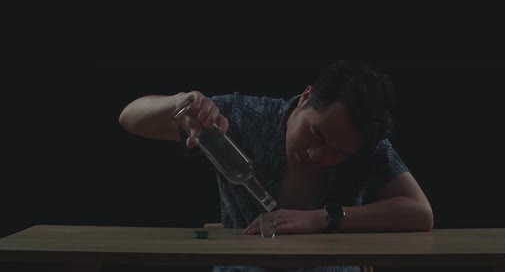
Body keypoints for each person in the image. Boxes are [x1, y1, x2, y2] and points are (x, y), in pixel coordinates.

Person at [118, 59, 433, 272]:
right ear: (305, 98)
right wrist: (178, 103)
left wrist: (324, 219)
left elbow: (419, 212)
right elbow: (130, 117)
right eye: (316, 133)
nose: (316, 154)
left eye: (337, 152)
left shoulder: (367, 148)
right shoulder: (243, 118)